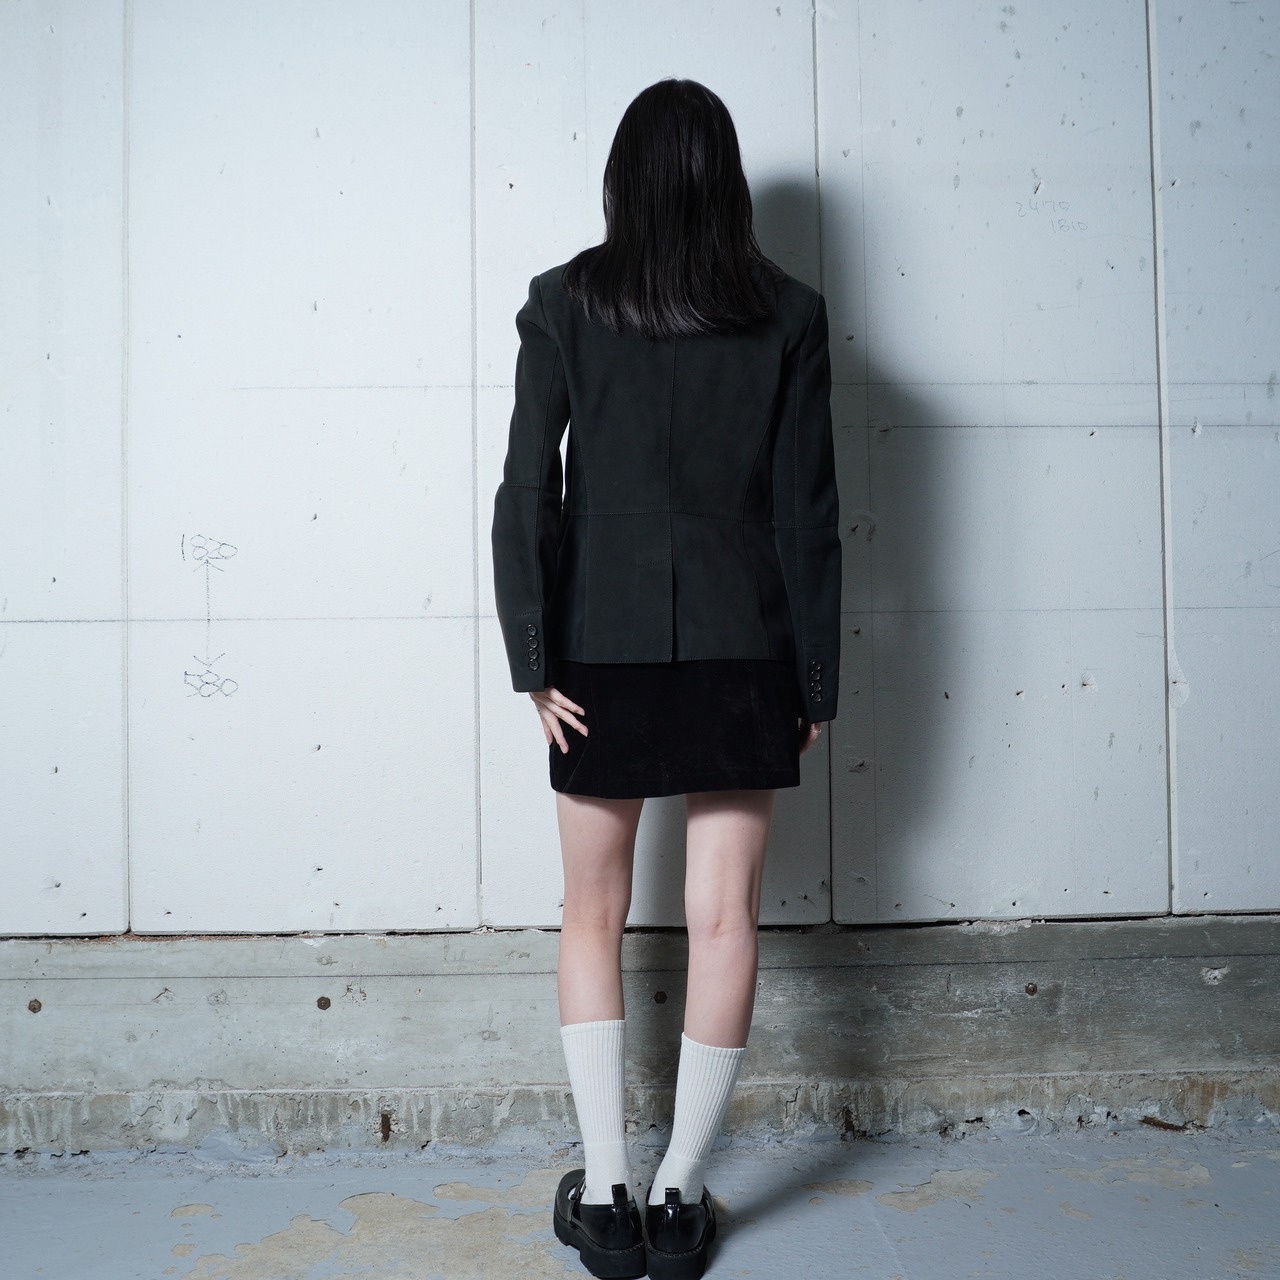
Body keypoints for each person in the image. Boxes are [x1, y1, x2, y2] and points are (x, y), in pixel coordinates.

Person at [491, 78, 841, 1280]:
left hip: (599, 648)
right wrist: (812, 680)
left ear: (621, 178)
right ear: (724, 180)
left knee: (589, 911)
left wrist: (532, 660)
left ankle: (606, 1197)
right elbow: (806, 515)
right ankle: (681, 1196)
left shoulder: (563, 302)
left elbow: (526, 490)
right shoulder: (788, 313)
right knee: (724, 916)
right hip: (745, 651)